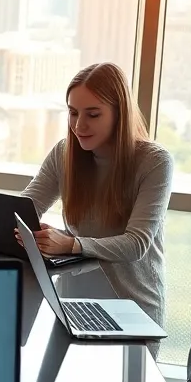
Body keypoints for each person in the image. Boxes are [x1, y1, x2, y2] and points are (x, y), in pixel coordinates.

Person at [17, 62, 174, 338]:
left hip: (133, 310)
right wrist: (32, 231)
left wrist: (71, 244)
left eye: (93, 114)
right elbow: (25, 207)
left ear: (119, 114)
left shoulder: (154, 162)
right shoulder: (65, 153)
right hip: (75, 303)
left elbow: (136, 243)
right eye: (73, 112)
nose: (79, 125)